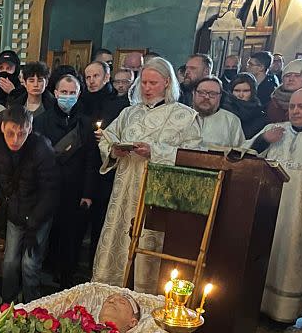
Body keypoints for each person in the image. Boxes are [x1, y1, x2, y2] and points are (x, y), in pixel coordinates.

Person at [93, 57, 201, 293]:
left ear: (167, 83)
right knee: (120, 242)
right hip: (125, 189)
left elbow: (195, 156)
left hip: (159, 195)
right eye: (144, 83)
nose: (147, 88)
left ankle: (146, 297)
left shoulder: (185, 116)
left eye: (153, 83)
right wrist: (114, 150)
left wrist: (156, 152)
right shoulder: (130, 113)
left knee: (150, 247)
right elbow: (109, 138)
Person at [245, 88, 302, 324]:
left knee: (292, 261)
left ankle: (283, 314)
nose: (295, 111)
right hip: (267, 211)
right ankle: (256, 307)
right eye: (292, 106)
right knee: (265, 257)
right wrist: (264, 141)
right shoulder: (272, 131)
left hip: (300, 215)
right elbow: (241, 157)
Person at [0, 105, 59, 303]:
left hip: (38, 213)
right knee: (10, 261)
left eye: (21, 134)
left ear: (29, 129)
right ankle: (8, 304)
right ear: (3, 127)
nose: (15, 140)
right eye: (10, 133)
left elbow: (50, 190)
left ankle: (31, 306)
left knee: (30, 263)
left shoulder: (41, 148)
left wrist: (35, 221)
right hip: (14, 210)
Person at [34, 74, 99, 287]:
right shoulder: (42, 120)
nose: (68, 97)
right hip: (47, 188)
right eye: (64, 92)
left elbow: (91, 161)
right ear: (55, 93)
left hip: (74, 190)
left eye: (72, 93)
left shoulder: (86, 123)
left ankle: (66, 282)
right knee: (45, 237)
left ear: (79, 95)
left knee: (70, 239)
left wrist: (88, 193)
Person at [81, 62, 131, 268]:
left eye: (96, 76)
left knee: (101, 228)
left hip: (106, 174)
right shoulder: (82, 100)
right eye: (88, 77)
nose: (92, 81)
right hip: (84, 170)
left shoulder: (118, 105)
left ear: (106, 77)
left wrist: (106, 139)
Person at [193, 77, 245, 147]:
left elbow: (239, 152)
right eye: (202, 92)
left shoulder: (231, 121)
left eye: (213, 94)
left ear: (220, 97)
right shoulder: (182, 116)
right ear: (194, 93)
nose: (206, 97)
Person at [222, 73, 269, 139]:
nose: (241, 95)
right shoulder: (223, 112)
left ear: (253, 92)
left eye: (246, 91)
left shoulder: (260, 116)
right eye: (237, 91)